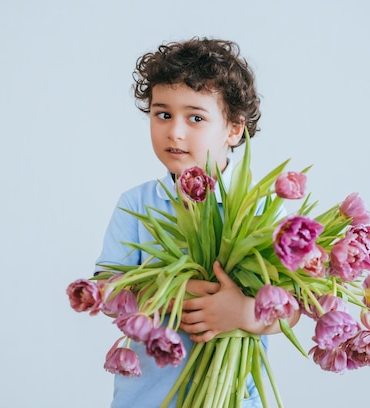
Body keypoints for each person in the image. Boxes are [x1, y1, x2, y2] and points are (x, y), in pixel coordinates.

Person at [94, 37, 300, 408]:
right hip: (147, 399)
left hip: (234, 399)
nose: (175, 132)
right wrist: (170, 294)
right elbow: (107, 292)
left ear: (234, 129)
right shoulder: (137, 204)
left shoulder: (261, 208)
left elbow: (292, 306)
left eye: (196, 118)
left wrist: (245, 313)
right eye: (163, 114)